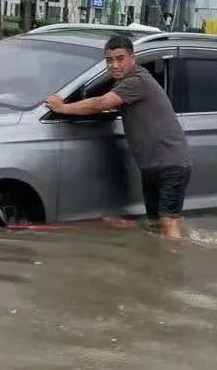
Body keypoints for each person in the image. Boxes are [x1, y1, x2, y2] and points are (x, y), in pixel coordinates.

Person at [44, 35, 191, 239]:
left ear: (133, 58)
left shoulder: (137, 81)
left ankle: (174, 266)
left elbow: (101, 103)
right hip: (152, 166)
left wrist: (63, 107)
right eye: (109, 60)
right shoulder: (127, 84)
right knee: (156, 224)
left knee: (168, 222)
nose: (114, 65)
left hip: (171, 163)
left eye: (120, 58)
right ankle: (160, 265)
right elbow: (109, 107)